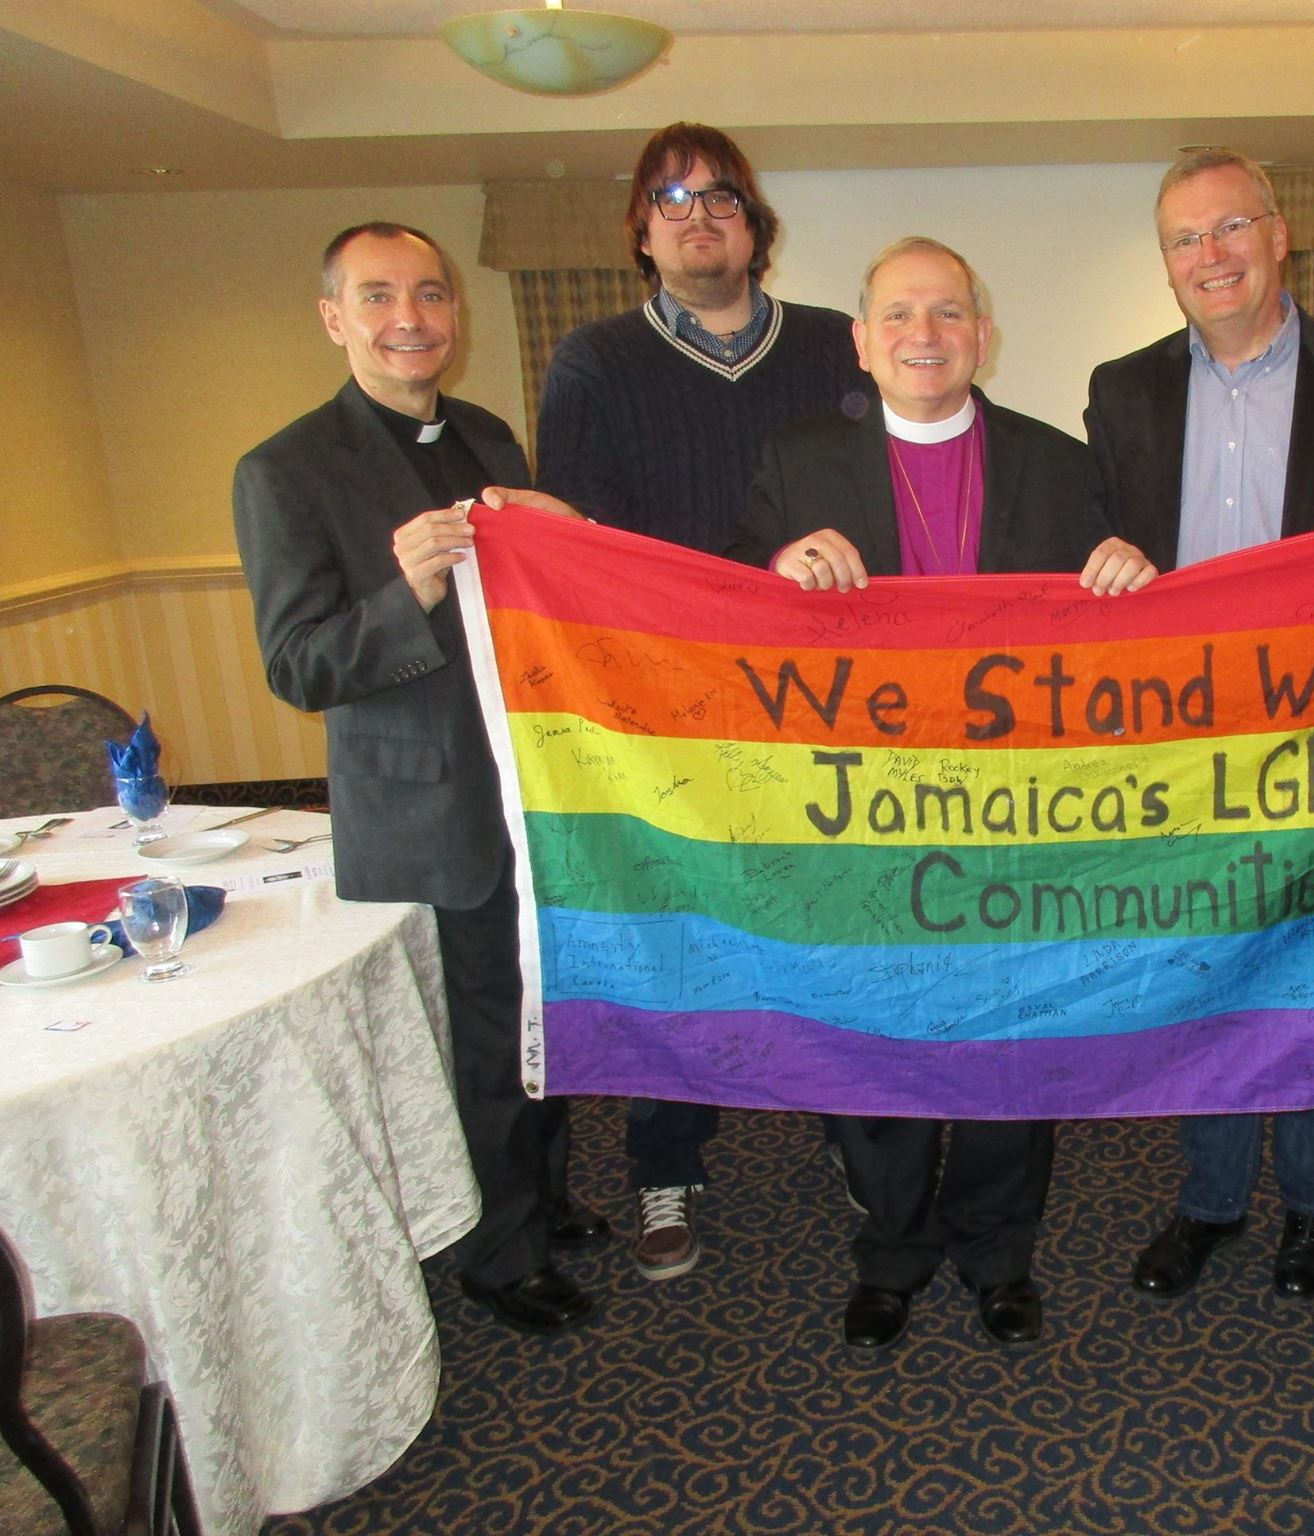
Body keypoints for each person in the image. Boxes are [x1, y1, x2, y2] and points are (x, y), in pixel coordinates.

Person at [728, 237, 1155, 1351]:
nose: (925, 334)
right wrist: (775, 573)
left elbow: (1108, 646)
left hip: (1015, 819)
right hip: (857, 821)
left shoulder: (1057, 466)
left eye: (949, 312)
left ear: (983, 334)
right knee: (876, 1045)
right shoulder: (796, 460)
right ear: (863, 341)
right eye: (900, 315)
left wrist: (1126, 576)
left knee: (1011, 1042)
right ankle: (893, 1250)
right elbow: (725, 619)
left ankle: (997, 1253)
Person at [1086, 147, 1314, 1304]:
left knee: (1311, 972)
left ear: (1279, 233)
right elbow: (1091, 548)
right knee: (1203, 964)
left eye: (1228, 228)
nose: (1209, 256)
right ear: (1164, 263)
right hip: (1184, 739)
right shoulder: (1121, 389)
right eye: (1183, 240)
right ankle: (1206, 1202)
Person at [233, 223, 603, 1334]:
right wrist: (405, 592)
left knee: (542, 1000)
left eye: (431, 294)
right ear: (334, 317)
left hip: (527, 777)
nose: (411, 316)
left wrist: (571, 539)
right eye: (380, 295)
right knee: (484, 1029)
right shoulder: (285, 468)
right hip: (426, 800)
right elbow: (298, 665)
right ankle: (501, 1255)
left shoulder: (490, 434)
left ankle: (537, 1194)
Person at [535, 122, 872, 1283]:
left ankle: (858, 1137)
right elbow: (581, 548)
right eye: (671, 198)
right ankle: (665, 1161)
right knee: (671, 940)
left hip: (818, 707)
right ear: (641, 227)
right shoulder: (592, 364)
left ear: (754, 222)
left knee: (830, 926)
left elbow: (890, 498)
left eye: (721, 196)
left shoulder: (839, 346)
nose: (698, 215)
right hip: (662, 709)